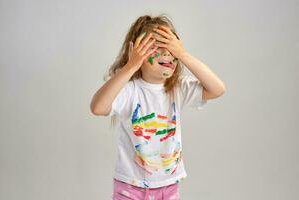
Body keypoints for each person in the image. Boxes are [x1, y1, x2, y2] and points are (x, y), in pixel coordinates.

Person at [90, 14, 225, 200]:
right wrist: (130, 66)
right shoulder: (129, 90)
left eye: (172, 47)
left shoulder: (177, 88)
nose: (168, 53)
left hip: (168, 187)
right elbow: (98, 107)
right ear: (137, 51)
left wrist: (183, 54)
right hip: (131, 187)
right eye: (159, 46)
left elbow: (218, 89)